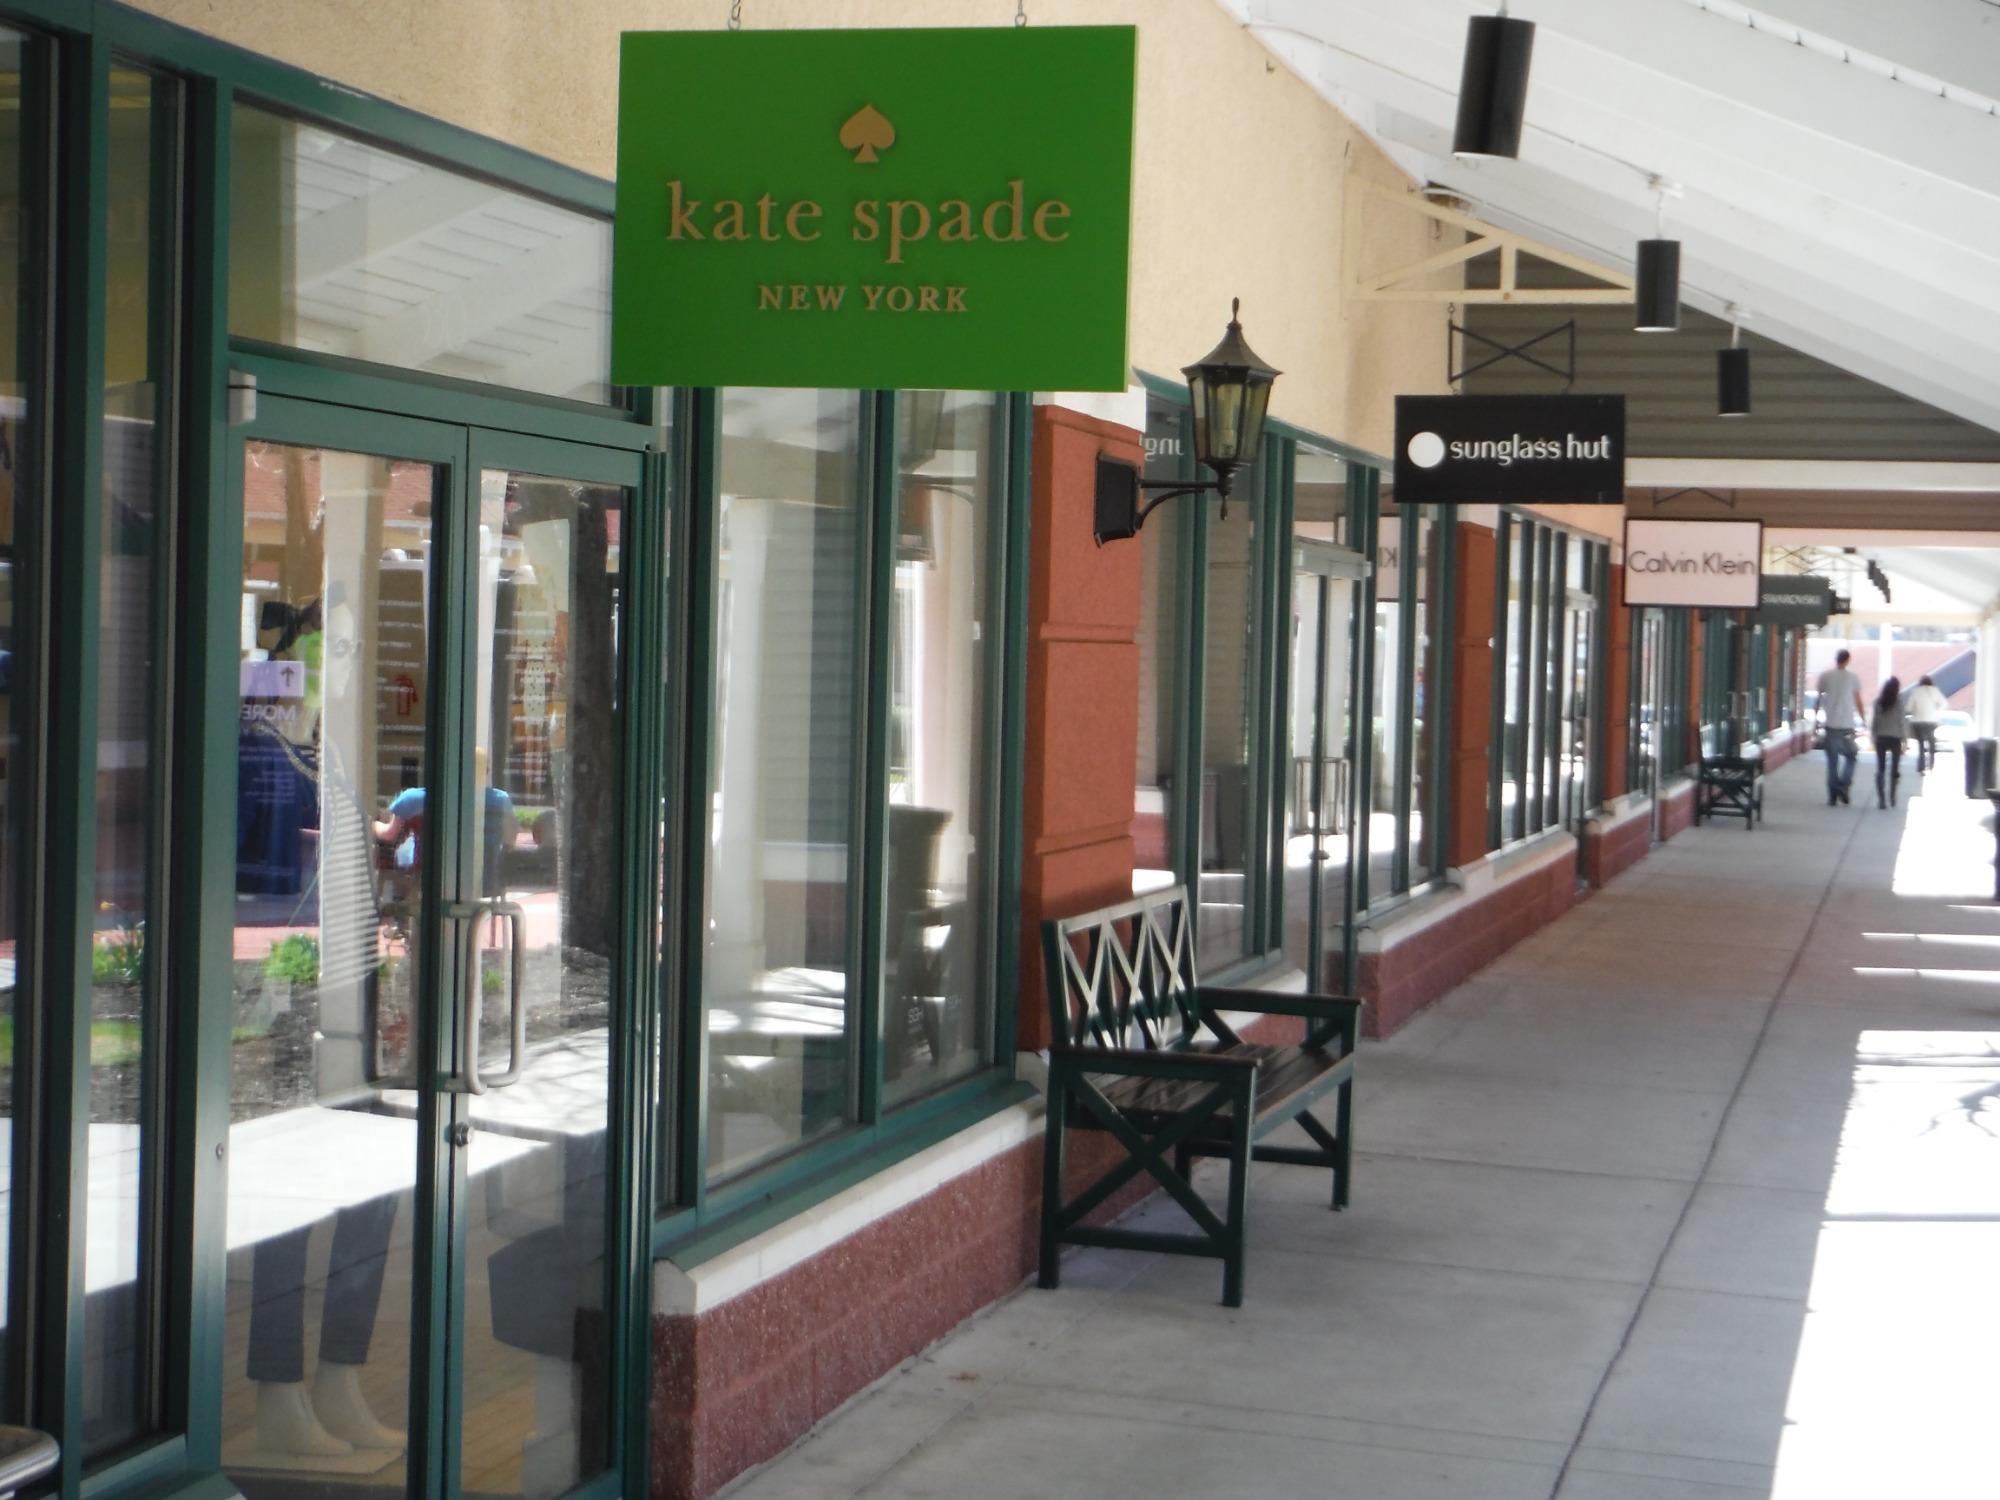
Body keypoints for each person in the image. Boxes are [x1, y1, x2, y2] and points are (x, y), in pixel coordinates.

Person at [1815, 648, 1867, 806]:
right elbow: (1858, 700)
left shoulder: (1825, 676)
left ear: (1836, 659)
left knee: (1832, 761)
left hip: (1831, 725)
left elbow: (1819, 698)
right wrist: (1863, 719)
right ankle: (1844, 785)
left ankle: (1832, 795)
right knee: (1851, 756)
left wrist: (1815, 719)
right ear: (1848, 660)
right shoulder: (1853, 678)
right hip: (1847, 726)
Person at [1871, 676, 1907, 809]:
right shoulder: (1899, 702)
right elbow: (1902, 721)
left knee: (1880, 768)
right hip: (1895, 738)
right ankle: (1892, 796)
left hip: (1881, 737)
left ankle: (1881, 799)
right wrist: (1905, 739)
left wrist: (1874, 735)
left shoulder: (1878, 702)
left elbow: (1875, 721)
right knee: (1895, 769)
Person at [1905, 674, 1947, 774]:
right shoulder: (1935, 691)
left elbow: (1908, 708)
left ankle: (1921, 767)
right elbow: (1944, 704)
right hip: (1931, 721)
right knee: (1931, 742)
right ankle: (1931, 765)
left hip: (1918, 722)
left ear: (1920, 683)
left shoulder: (1916, 691)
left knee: (1921, 745)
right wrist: (1935, 709)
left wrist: (1915, 710)